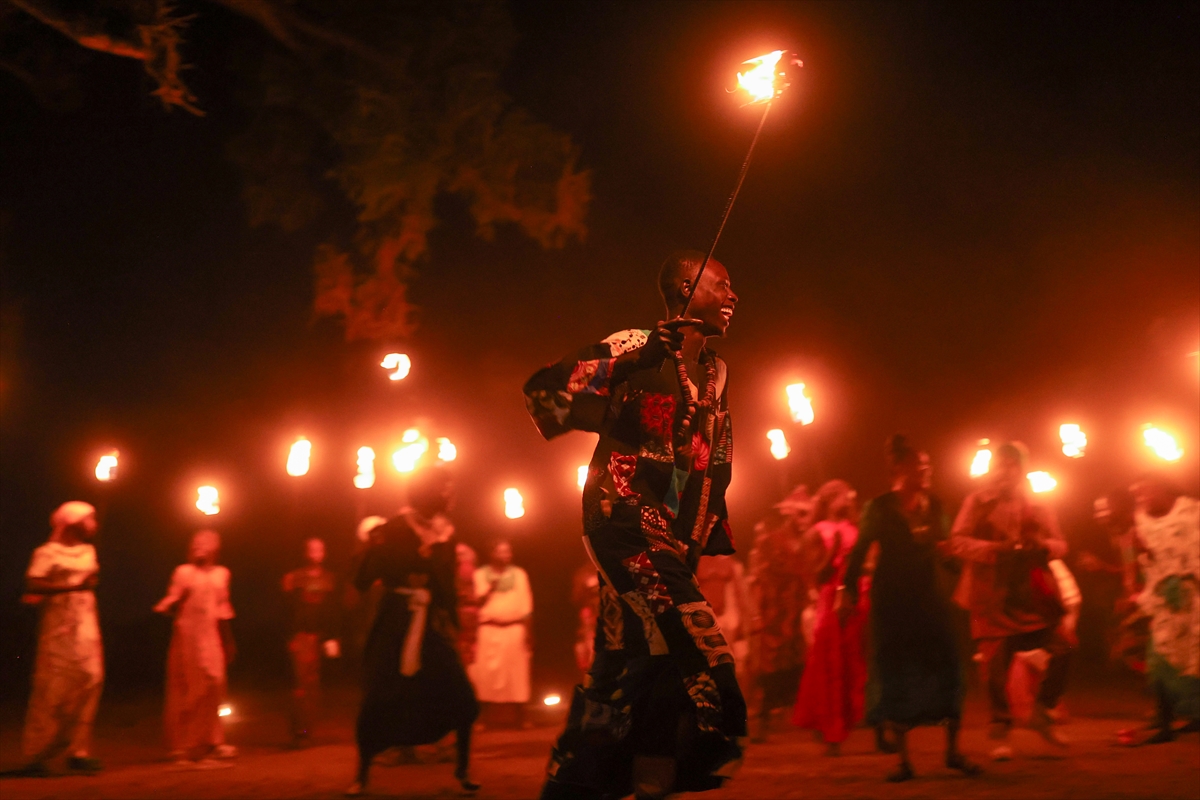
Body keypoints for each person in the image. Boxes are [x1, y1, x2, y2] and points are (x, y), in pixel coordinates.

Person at [524, 250, 745, 799]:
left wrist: (694, 540)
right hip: (620, 520)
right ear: (687, 289)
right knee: (698, 654)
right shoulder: (635, 346)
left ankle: (579, 786)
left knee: (624, 672)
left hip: (671, 539)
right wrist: (642, 350)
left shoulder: (716, 375)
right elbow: (548, 393)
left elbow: (712, 466)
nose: (734, 296)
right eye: (722, 285)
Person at [841, 436, 979, 781]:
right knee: (897, 674)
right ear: (901, 469)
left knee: (947, 666)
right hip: (892, 602)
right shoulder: (880, 508)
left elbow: (946, 552)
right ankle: (904, 760)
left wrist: (953, 560)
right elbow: (858, 553)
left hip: (929, 598)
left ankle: (953, 752)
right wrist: (848, 592)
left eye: (929, 466)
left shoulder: (934, 505)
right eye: (921, 466)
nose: (927, 472)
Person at [347, 466, 479, 796]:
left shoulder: (447, 534)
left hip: (431, 624)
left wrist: (454, 621)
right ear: (424, 492)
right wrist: (367, 552)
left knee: (460, 693)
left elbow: (446, 584)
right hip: (395, 623)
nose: (448, 494)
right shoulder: (390, 529)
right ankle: (362, 773)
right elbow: (360, 581)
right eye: (442, 488)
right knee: (380, 695)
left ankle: (462, 768)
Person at [949, 441, 1070, 760]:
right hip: (991, 596)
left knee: (1065, 646)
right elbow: (957, 541)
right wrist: (993, 550)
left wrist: (1041, 546)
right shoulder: (977, 501)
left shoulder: (1038, 504)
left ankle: (1042, 711)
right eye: (999, 465)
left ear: (1021, 469)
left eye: (1011, 465)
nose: (1003, 471)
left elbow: (1061, 544)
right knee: (996, 669)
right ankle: (1000, 730)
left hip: (1031, 596)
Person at [18, 502, 105, 775]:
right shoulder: (46, 552)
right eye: (89, 519)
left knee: (90, 680)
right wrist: (73, 586)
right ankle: (37, 754)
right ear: (73, 523)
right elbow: (34, 583)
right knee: (53, 688)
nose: (94, 524)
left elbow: (89, 580)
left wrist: (86, 583)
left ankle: (78, 751)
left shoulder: (89, 551)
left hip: (86, 628)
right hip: (58, 631)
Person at [791, 480, 867, 754]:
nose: (845, 498)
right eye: (839, 495)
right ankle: (828, 729)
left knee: (853, 661)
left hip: (856, 597)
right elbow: (817, 574)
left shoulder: (855, 529)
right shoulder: (817, 532)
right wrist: (834, 550)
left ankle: (859, 723)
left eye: (847, 493)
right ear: (827, 500)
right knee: (829, 662)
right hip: (830, 600)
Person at [154, 529, 237, 766]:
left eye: (205, 542)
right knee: (189, 687)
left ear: (215, 547)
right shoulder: (184, 572)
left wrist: (228, 640)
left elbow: (223, 609)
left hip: (211, 635)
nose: (199, 546)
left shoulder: (222, 574)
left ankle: (211, 740)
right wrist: (178, 599)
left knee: (215, 682)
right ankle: (182, 746)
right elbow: (170, 604)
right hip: (188, 635)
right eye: (196, 543)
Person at [1129, 473, 1199, 743]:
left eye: (1146, 492)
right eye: (1137, 495)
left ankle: (1193, 716)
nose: (1142, 499)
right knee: (1159, 657)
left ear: (1164, 490)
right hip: (1166, 601)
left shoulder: (1193, 513)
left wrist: (1187, 578)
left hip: (1195, 598)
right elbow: (1147, 559)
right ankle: (1164, 720)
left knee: (1195, 658)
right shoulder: (1142, 522)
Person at [746, 494, 812, 742]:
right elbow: (761, 577)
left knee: (795, 663)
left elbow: (807, 573)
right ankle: (762, 719)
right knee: (770, 665)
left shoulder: (804, 541)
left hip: (794, 613)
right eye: (802, 514)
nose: (806, 520)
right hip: (774, 613)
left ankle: (795, 716)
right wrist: (757, 614)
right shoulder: (771, 540)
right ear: (791, 515)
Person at [281, 537, 340, 745]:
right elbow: (289, 610)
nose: (316, 553)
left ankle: (308, 730)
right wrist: (291, 636)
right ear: (306, 552)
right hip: (300, 636)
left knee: (313, 685)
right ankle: (298, 729)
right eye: (312, 549)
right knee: (299, 684)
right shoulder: (295, 577)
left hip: (318, 637)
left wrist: (332, 637)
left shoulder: (329, 578)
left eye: (320, 549)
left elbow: (331, 611)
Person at [470, 540, 533, 725]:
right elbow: (478, 601)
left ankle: (522, 717)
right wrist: (491, 586)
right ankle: (482, 717)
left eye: (508, 551)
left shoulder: (520, 574)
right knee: (486, 674)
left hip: (514, 629)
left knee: (517, 673)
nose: (506, 555)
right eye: (501, 551)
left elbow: (527, 604)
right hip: (489, 629)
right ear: (491, 554)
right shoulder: (480, 574)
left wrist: (529, 632)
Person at [695, 554, 751, 678]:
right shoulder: (693, 564)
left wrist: (741, 635)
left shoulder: (731, 565)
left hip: (728, 624)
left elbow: (741, 597)